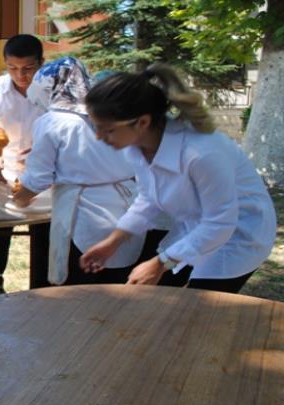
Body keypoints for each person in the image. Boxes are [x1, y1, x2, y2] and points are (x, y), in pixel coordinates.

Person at [80, 64, 276, 293]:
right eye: (96, 127)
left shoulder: (201, 153)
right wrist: (112, 242)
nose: (99, 136)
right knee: (162, 296)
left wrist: (161, 263)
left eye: (107, 129)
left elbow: (220, 223)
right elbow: (148, 199)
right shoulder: (136, 147)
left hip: (239, 236)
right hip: (201, 227)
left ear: (142, 122)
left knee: (200, 309)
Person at [13, 57, 145, 285]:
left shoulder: (52, 121)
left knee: (83, 293)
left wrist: (17, 201)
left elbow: (38, 179)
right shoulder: (111, 114)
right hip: (127, 207)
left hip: (85, 214)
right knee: (122, 289)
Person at [0, 34, 46, 293]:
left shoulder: (51, 90)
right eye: (12, 68)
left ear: (41, 63)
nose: (21, 76)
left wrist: (41, 154)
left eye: (28, 69)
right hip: (3, 162)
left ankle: (42, 284)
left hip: (43, 168)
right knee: (1, 225)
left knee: (43, 225)